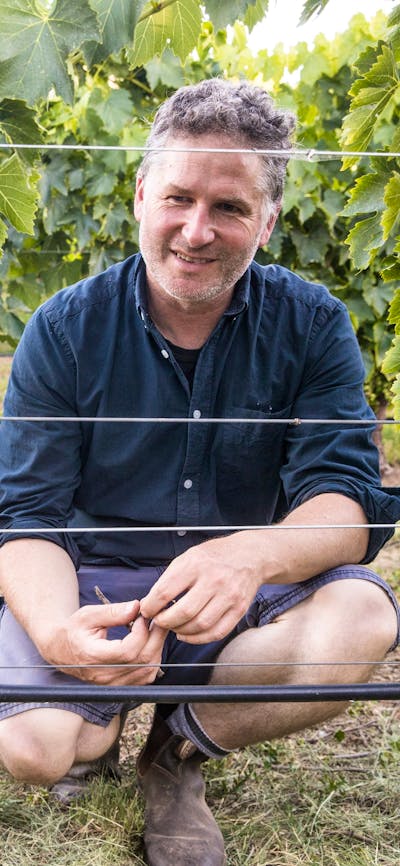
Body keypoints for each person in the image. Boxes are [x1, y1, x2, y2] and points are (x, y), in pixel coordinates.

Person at [0, 77, 399, 866]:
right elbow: (27, 518)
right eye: (179, 196)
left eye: (230, 208)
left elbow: (347, 501)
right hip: (96, 590)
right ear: (142, 192)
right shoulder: (65, 329)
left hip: (243, 605)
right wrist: (58, 634)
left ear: (269, 221)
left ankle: (175, 756)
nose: (196, 230)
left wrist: (246, 555)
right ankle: (95, 715)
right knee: (36, 750)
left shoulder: (314, 323)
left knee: (363, 622)